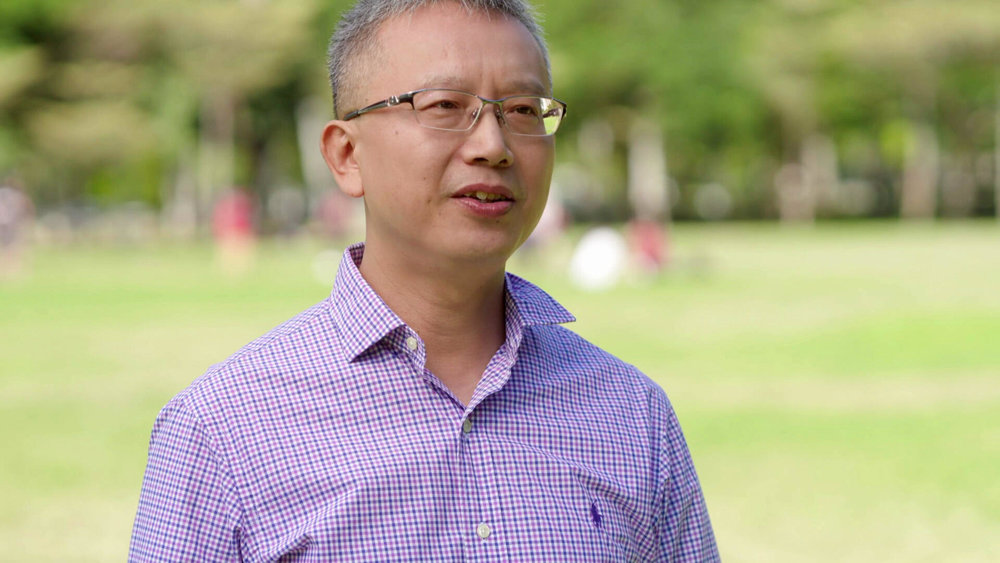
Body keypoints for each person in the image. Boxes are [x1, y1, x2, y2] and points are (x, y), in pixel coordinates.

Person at [130, 0, 718, 560]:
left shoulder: (631, 413)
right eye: (443, 106)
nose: (493, 146)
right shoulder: (223, 431)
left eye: (521, 110)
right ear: (346, 155)